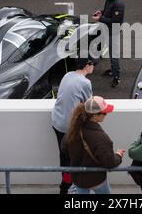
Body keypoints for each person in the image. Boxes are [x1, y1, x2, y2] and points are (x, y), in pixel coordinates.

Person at [62, 96, 124, 194]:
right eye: (104, 113)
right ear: (95, 116)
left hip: (78, 179)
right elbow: (110, 163)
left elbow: (64, 148)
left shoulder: (73, 130)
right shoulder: (101, 138)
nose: (106, 115)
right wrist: (118, 155)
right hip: (96, 179)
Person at [51, 57, 95, 194]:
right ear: (87, 65)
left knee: (64, 155)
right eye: (93, 64)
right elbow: (90, 105)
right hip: (69, 126)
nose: (94, 68)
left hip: (57, 121)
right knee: (72, 158)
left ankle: (65, 185)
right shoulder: (85, 82)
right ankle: (67, 187)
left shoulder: (67, 75)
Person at [92, 0, 125, 87]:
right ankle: (113, 70)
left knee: (114, 55)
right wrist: (101, 12)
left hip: (113, 32)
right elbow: (108, 11)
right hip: (107, 30)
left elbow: (115, 21)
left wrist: (100, 19)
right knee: (111, 53)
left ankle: (116, 77)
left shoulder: (119, 4)